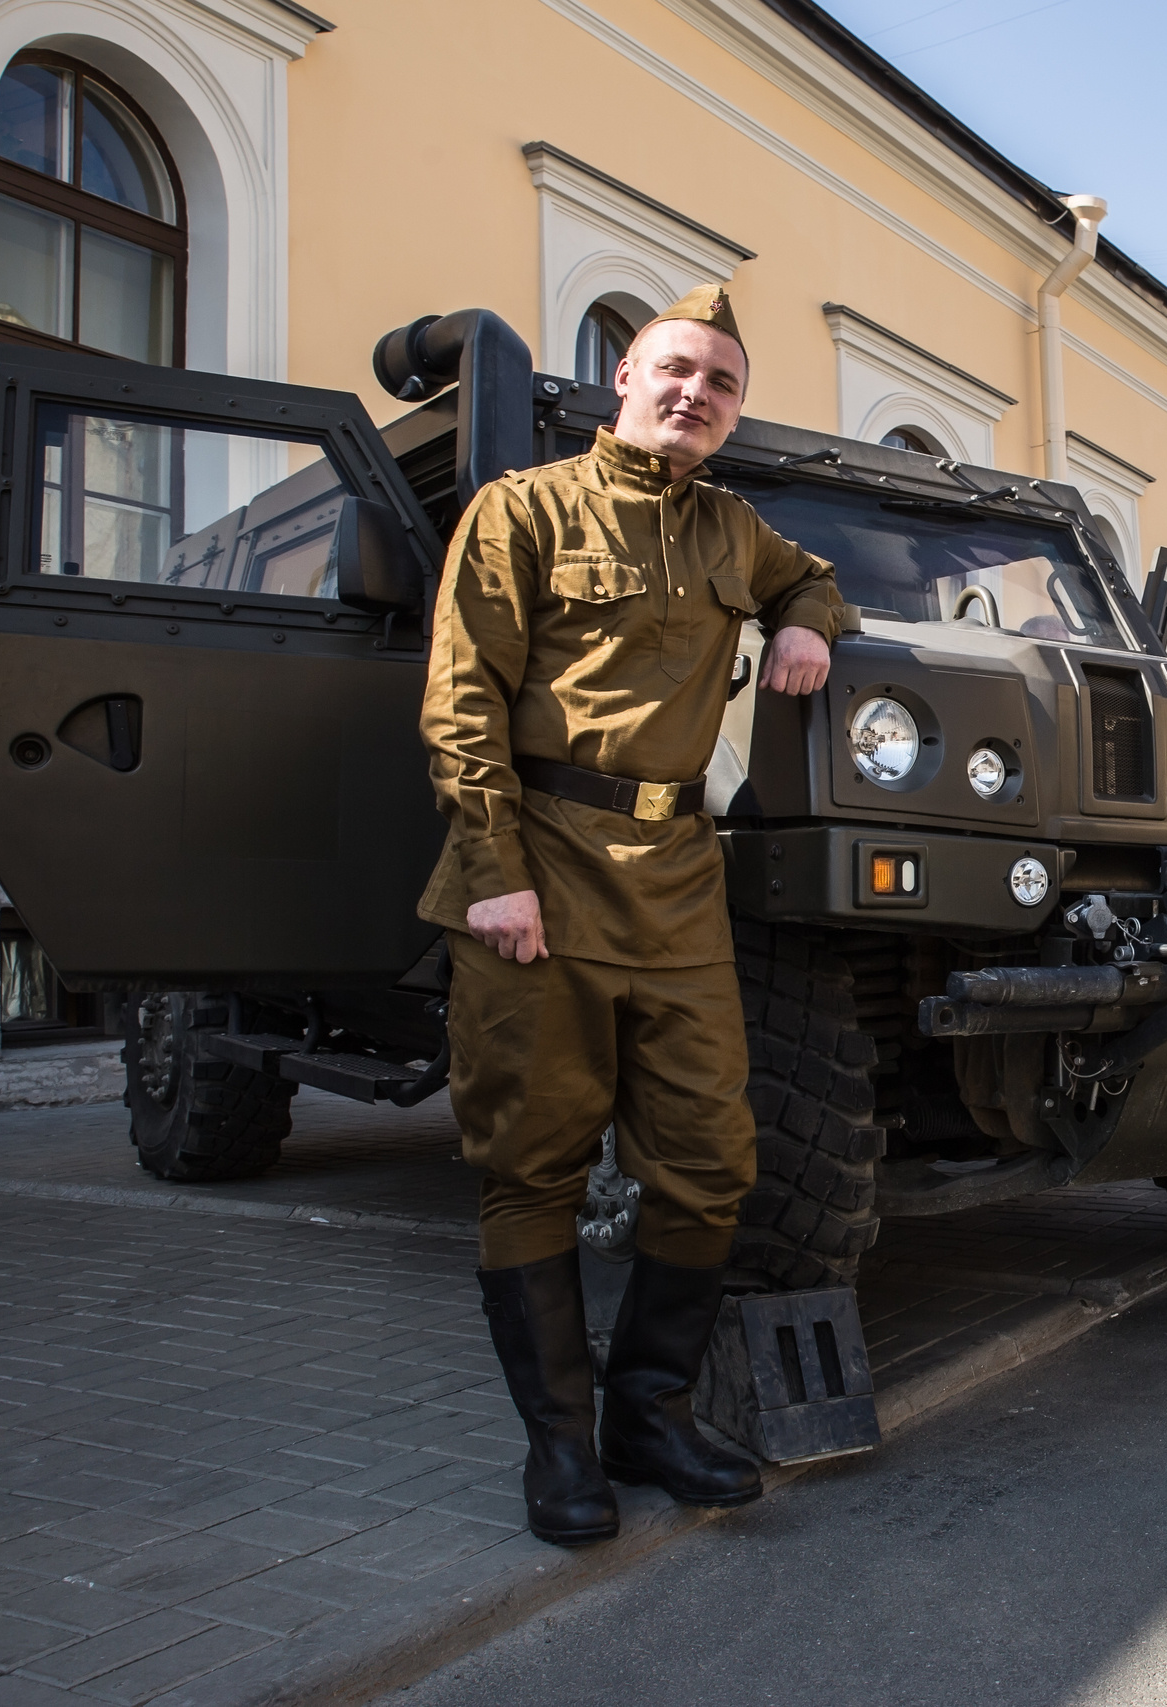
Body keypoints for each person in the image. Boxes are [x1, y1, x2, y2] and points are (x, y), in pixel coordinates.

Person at [418, 285, 849, 1545]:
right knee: (532, 1164)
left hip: (676, 879)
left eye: (719, 383)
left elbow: (813, 579)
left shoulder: (733, 530)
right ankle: (558, 1449)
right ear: (621, 376)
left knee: (712, 1161)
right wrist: (492, 868)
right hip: (539, 866)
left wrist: (804, 623)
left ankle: (645, 1413)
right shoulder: (524, 510)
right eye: (674, 369)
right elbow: (462, 704)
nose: (693, 394)